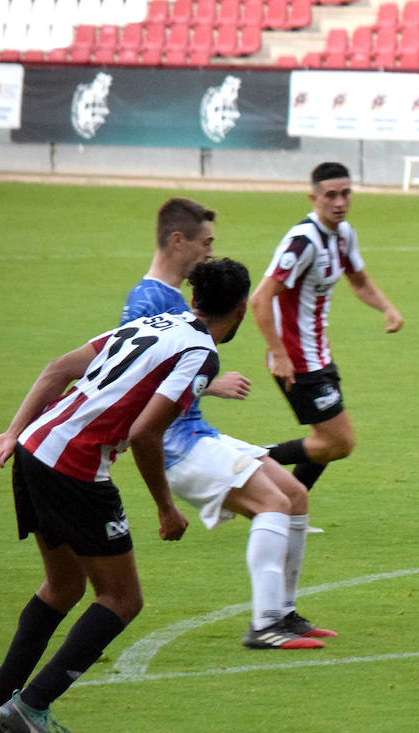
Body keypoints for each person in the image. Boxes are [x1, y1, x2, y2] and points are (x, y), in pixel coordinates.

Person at [0, 258, 250, 733]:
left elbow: (58, 369)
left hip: (36, 447)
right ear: (240, 311)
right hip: (76, 466)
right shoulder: (202, 353)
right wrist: (166, 508)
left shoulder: (153, 323)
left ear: (195, 298)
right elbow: (147, 434)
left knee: (62, 588)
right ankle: (31, 707)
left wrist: (13, 433)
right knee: (123, 598)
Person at [121, 199, 333, 650]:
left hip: (196, 433)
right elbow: (134, 377)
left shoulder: (171, 297)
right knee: (273, 504)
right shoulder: (149, 299)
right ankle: (264, 625)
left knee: (294, 494)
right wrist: (211, 385)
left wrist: (205, 384)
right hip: (176, 445)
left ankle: (284, 613)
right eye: (206, 243)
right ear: (179, 241)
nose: (209, 254)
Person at [250, 162, 404, 493]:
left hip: (320, 355)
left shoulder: (344, 235)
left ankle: (291, 510)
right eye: (331, 195)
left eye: (346, 194)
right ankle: (246, 461)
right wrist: (279, 355)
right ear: (313, 198)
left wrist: (387, 308)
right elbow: (260, 299)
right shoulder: (303, 242)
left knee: (327, 443)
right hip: (296, 361)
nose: (339, 202)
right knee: (340, 442)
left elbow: (359, 282)